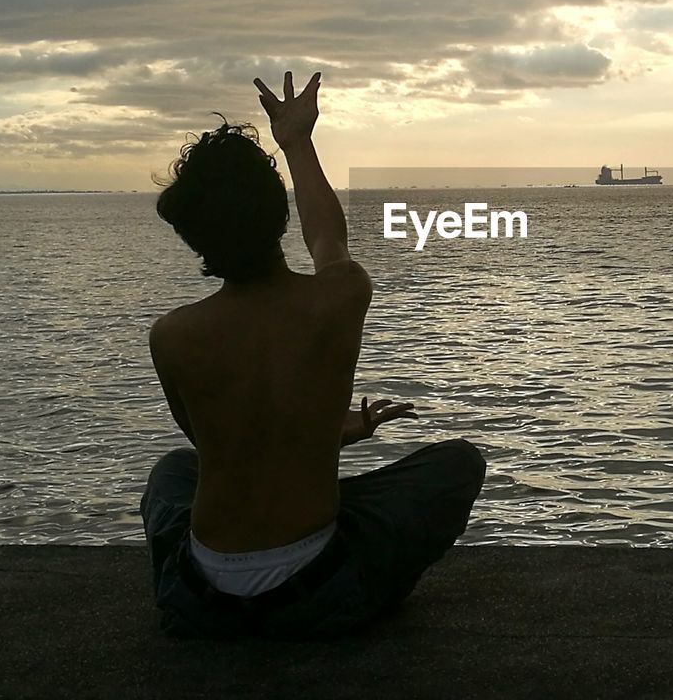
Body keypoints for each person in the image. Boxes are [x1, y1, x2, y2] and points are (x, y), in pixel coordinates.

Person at [139, 70, 486, 639]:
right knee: (457, 463)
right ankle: (360, 594)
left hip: (201, 600)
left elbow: (223, 449)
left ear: (194, 237)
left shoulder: (172, 335)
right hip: (320, 593)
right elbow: (329, 239)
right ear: (278, 216)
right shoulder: (338, 297)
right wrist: (297, 142)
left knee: (173, 473)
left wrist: (322, 431)